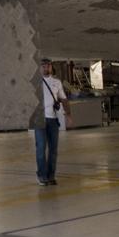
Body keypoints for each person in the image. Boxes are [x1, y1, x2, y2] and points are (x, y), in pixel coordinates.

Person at [34, 58, 70, 186]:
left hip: (53, 119)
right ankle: (42, 176)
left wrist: (68, 114)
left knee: (53, 149)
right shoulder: (35, 83)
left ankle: (51, 176)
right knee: (41, 148)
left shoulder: (57, 82)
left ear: (51, 67)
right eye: (43, 66)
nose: (46, 68)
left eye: (48, 65)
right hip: (39, 120)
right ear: (40, 68)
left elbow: (64, 99)